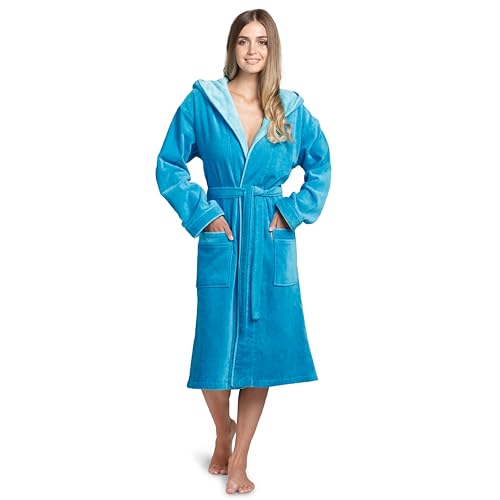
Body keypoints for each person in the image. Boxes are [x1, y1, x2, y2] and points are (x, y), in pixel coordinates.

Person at [155, 8, 331, 495]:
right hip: (225, 234)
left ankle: (240, 458)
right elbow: (168, 164)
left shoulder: (290, 110)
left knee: (262, 353)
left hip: (270, 240)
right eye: (244, 41)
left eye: (262, 41)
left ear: (272, 49)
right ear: (233, 47)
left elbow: (321, 165)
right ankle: (222, 429)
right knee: (213, 348)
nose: (253, 50)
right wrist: (203, 214)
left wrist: (291, 212)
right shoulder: (204, 102)